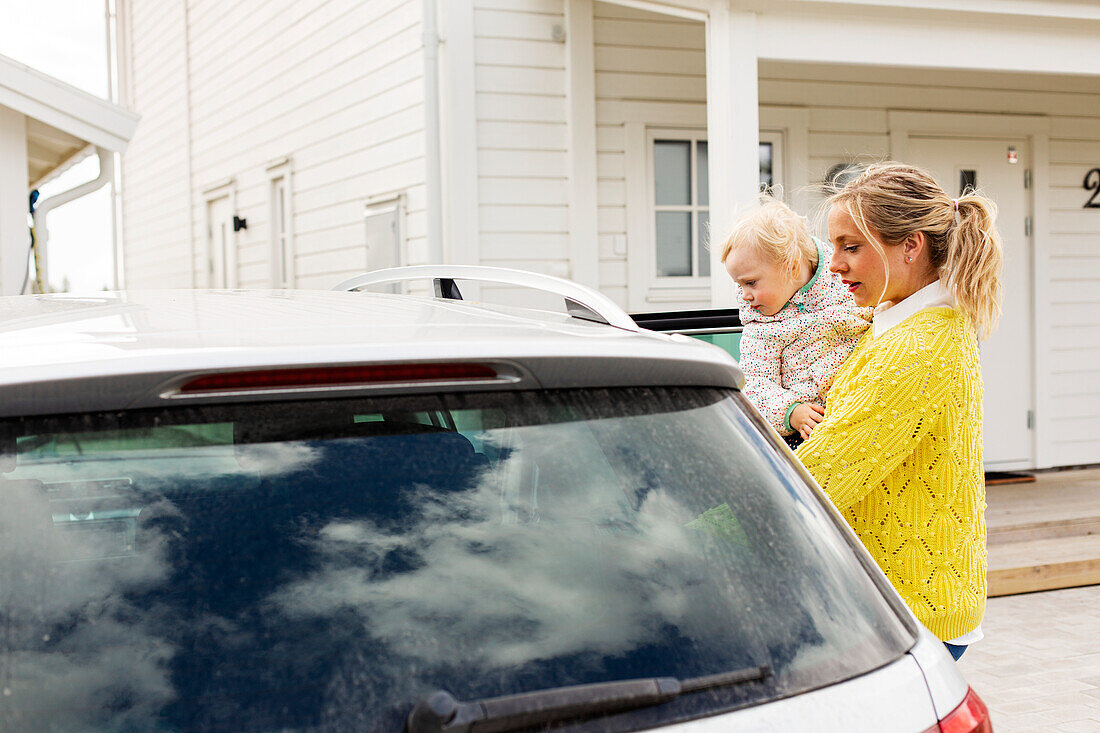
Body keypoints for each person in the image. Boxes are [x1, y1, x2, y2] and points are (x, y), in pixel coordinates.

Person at [796, 162, 1003, 661]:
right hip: (896, 601)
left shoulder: (918, 346)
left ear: (910, 245)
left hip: (907, 611)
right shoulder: (895, 322)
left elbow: (822, 477)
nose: (835, 264)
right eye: (833, 247)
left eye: (851, 246)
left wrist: (695, 525)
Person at [719, 197, 871, 448]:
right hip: (801, 433)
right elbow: (754, 386)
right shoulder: (761, 326)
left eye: (751, 282)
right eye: (739, 285)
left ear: (790, 267)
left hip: (856, 407)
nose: (744, 295)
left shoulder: (843, 284)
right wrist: (791, 413)